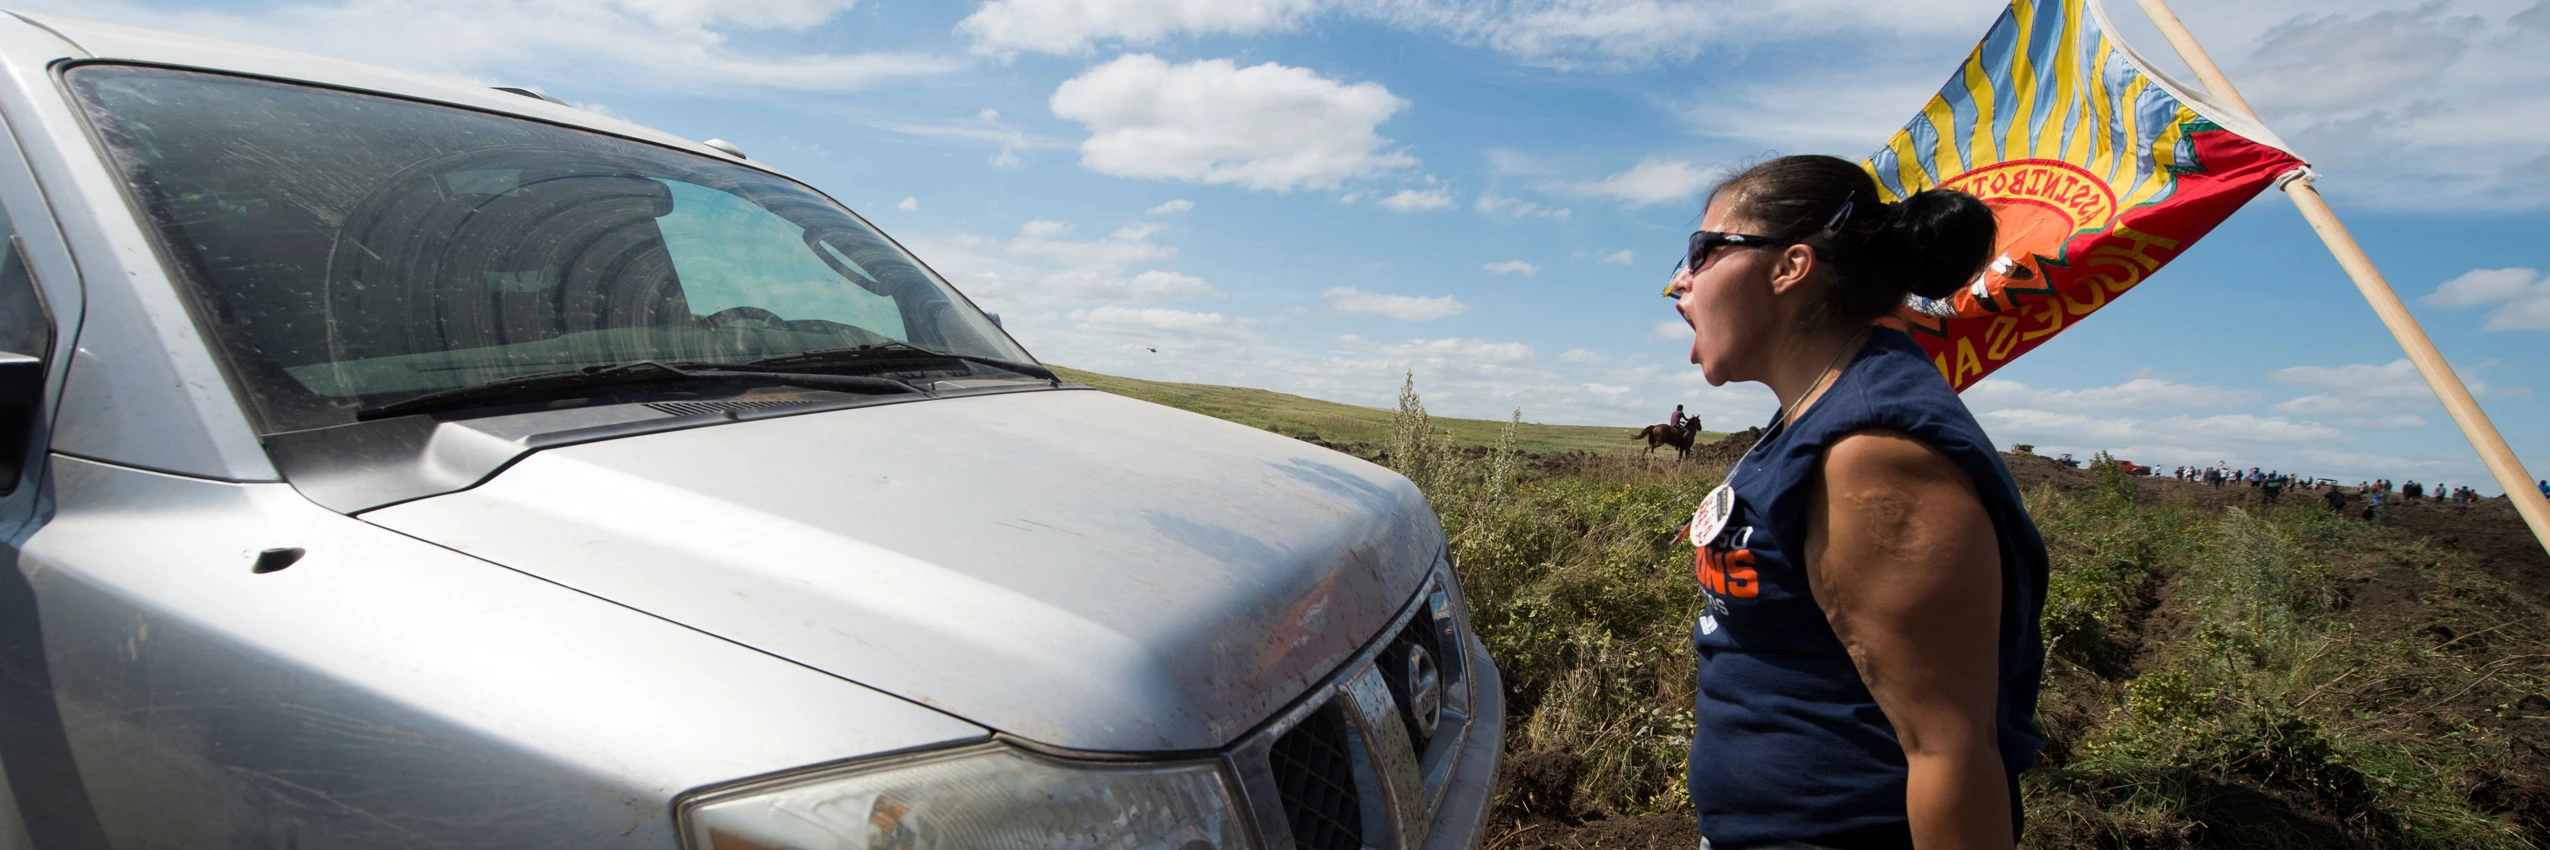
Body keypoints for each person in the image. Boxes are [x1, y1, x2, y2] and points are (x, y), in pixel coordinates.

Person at [1662, 154, 2041, 850]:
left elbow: (1950, 750)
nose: (1678, 283)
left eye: (1705, 250)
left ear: (1790, 267)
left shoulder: (1872, 452)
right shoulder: (1819, 414)